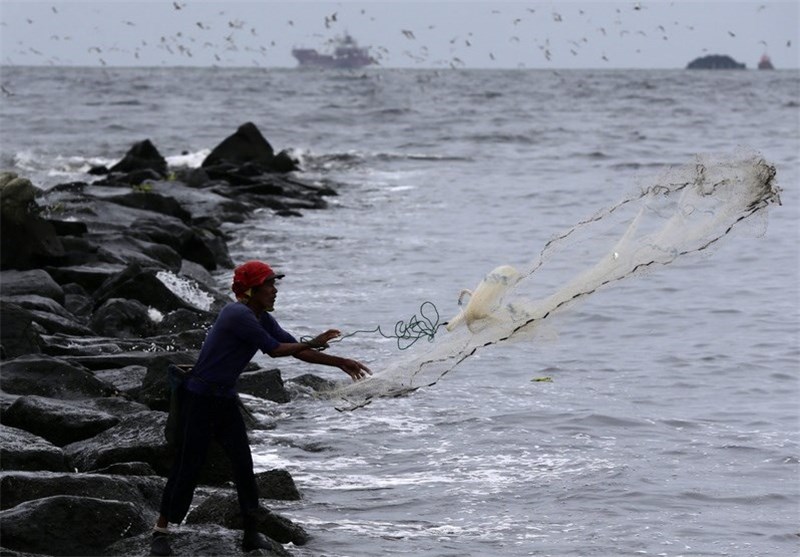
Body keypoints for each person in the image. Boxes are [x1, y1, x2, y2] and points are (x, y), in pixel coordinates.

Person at [150, 260, 371, 556]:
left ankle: (251, 535)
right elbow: (275, 350)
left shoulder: (259, 316)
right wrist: (315, 342)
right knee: (188, 466)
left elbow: (297, 349)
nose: (274, 290)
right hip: (200, 398)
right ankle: (160, 532)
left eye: (273, 284)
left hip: (225, 399)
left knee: (243, 465)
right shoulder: (237, 314)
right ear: (251, 290)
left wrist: (341, 362)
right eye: (268, 284)